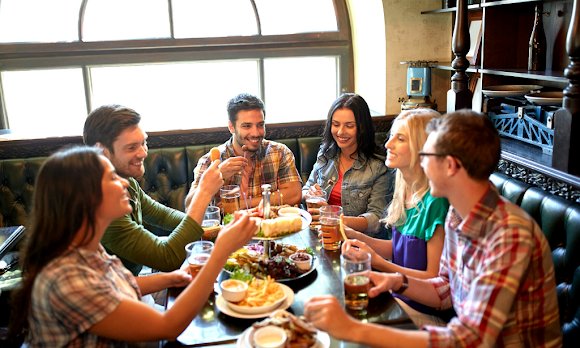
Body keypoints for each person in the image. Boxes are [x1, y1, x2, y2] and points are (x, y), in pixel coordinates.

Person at [304, 110, 562, 347]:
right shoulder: (458, 215)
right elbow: (445, 290)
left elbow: (470, 340)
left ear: (450, 166)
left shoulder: (509, 234)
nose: (422, 163)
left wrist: (353, 329)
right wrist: (394, 281)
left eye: (426, 155)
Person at [8, 146, 259, 346]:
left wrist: (170, 279)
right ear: (84, 198)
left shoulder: (86, 248)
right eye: (111, 178)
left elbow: (115, 285)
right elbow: (168, 327)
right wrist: (220, 251)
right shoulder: (66, 278)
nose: (125, 183)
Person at [83, 105, 222, 276]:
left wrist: (219, 229)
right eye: (131, 147)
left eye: (144, 143)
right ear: (101, 151)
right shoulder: (101, 204)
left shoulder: (129, 183)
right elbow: (166, 258)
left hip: (134, 283)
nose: (143, 153)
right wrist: (204, 192)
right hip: (119, 296)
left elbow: (164, 216)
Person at [342, 108, 449, 325]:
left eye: (400, 139)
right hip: (397, 298)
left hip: (424, 313)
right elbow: (399, 248)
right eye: (392, 136)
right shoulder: (405, 189)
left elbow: (433, 278)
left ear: (423, 148)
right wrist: (355, 235)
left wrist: (378, 262)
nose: (388, 145)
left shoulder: (437, 201)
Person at [185, 93, 302, 210]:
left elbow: (295, 194)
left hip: (271, 225)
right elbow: (190, 207)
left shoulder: (280, 152)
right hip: (228, 227)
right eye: (247, 126)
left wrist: (240, 204)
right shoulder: (211, 160)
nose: (256, 133)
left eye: (260, 125)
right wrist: (217, 176)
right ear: (231, 127)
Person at [302, 93, 390, 235]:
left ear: (362, 128)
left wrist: (334, 218)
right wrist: (310, 194)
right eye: (336, 125)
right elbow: (306, 188)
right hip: (320, 235)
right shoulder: (326, 154)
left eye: (349, 126)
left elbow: (377, 219)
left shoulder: (378, 166)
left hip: (356, 242)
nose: (341, 132)